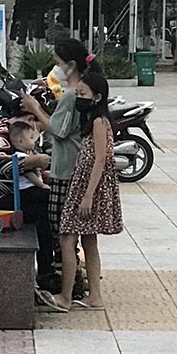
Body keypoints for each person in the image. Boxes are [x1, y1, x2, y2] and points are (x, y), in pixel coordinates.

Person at [37, 71, 122, 312]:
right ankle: (94, 295)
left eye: (83, 94)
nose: (79, 98)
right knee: (89, 240)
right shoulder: (93, 119)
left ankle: (66, 296)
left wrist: (87, 196)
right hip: (84, 184)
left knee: (67, 238)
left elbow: (100, 160)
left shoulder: (97, 122)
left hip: (88, 186)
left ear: (97, 97)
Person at [23, 39, 101, 299]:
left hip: (66, 170)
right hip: (77, 169)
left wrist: (34, 108)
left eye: (57, 63)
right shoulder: (82, 92)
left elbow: (58, 130)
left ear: (71, 65)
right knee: (84, 236)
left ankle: (68, 290)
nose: (54, 69)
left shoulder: (72, 94)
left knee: (64, 235)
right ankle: (88, 289)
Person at [0, 111, 56, 289]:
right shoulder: (0, 135)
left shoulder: (16, 136)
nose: (36, 136)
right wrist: (34, 161)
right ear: (30, 119)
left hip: (15, 192)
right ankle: (47, 270)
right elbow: (3, 166)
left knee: (47, 206)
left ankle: (50, 267)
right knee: (46, 204)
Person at [9, 121, 49, 190]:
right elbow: (29, 174)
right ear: (20, 141)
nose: (34, 141)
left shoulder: (29, 154)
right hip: (27, 188)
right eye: (31, 138)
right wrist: (42, 185)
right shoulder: (20, 156)